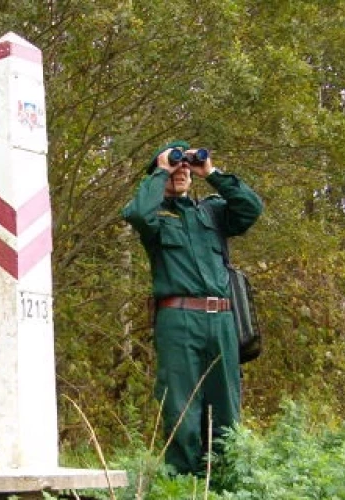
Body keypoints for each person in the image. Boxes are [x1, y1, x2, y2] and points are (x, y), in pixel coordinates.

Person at [121, 140, 263, 475]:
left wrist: (211, 172)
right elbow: (136, 213)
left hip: (223, 319)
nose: (182, 171)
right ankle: (184, 482)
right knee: (181, 404)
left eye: (186, 166)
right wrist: (161, 172)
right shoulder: (155, 216)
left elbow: (251, 208)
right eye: (175, 166)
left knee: (227, 405)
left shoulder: (212, 211)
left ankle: (225, 479)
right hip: (179, 319)